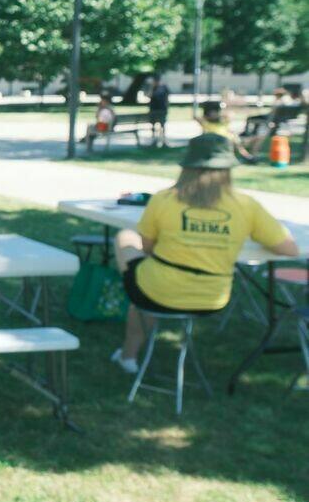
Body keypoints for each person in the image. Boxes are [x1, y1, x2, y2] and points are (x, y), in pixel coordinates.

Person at [110, 133, 299, 371]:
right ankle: (132, 342)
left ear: (186, 166)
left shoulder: (163, 199)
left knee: (126, 239)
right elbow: (289, 248)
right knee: (147, 283)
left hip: (157, 291)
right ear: (228, 168)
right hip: (212, 298)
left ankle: (129, 355)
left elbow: (147, 247)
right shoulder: (246, 205)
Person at [147, 75, 170, 148]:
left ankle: (162, 141)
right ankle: (156, 141)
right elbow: (149, 96)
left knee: (162, 126)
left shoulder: (163, 87)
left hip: (160, 109)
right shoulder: (154, 88)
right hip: (156, 109)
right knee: (156, 126)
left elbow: (166, 98)